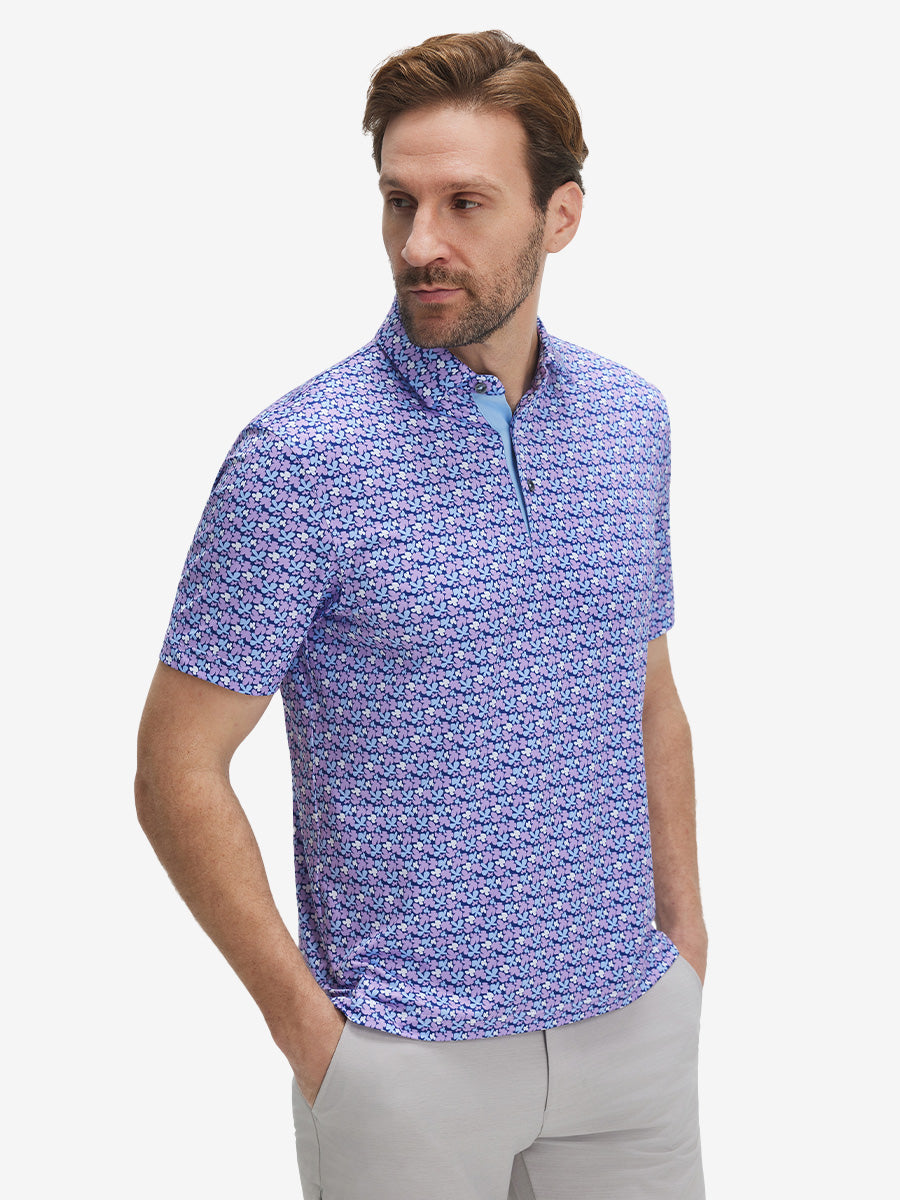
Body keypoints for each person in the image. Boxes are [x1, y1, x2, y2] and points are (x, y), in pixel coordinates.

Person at [135, 28, 707, 1200]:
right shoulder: (299, 460)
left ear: (561, 215)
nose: (420, 244)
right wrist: (318, 1041)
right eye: (400, 202)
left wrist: (684, 945)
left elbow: (646, 694)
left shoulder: (630, 422)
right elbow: (176, 767)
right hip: (405, 1061)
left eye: (465, 204)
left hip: (633, 1038)